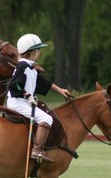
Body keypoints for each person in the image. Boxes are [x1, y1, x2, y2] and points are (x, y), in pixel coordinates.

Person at [7, 34, 71, 163]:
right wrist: (28, 95)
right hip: (17, 102)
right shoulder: (22, 66)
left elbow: (44, 83)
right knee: (46, 118)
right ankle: (37, 150)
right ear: (32, 52)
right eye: (38, 50)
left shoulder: (31, 67)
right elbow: (14, 85)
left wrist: (60, 90)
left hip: (24, 101)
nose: (39, 53)